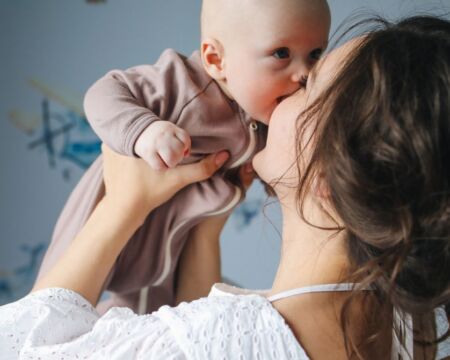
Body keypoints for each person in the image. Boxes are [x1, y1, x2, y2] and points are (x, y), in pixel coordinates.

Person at [1, 14, 449, 359]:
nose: (288, 88)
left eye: (310, 85)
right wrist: (207, 225)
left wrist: (121, 207)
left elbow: (17, 346)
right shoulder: (407, 330)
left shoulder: (212, 341)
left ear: (331, 175)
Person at [35, 0, 331, 314]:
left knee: (150, 316)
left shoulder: (266, 116)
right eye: (281, 53)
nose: (304, 74)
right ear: (216, 60)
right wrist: (144, 130)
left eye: (315, 54)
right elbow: (104, 92)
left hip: (172, 240)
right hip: (108, 209)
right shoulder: (182, 83)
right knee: (55, 306)